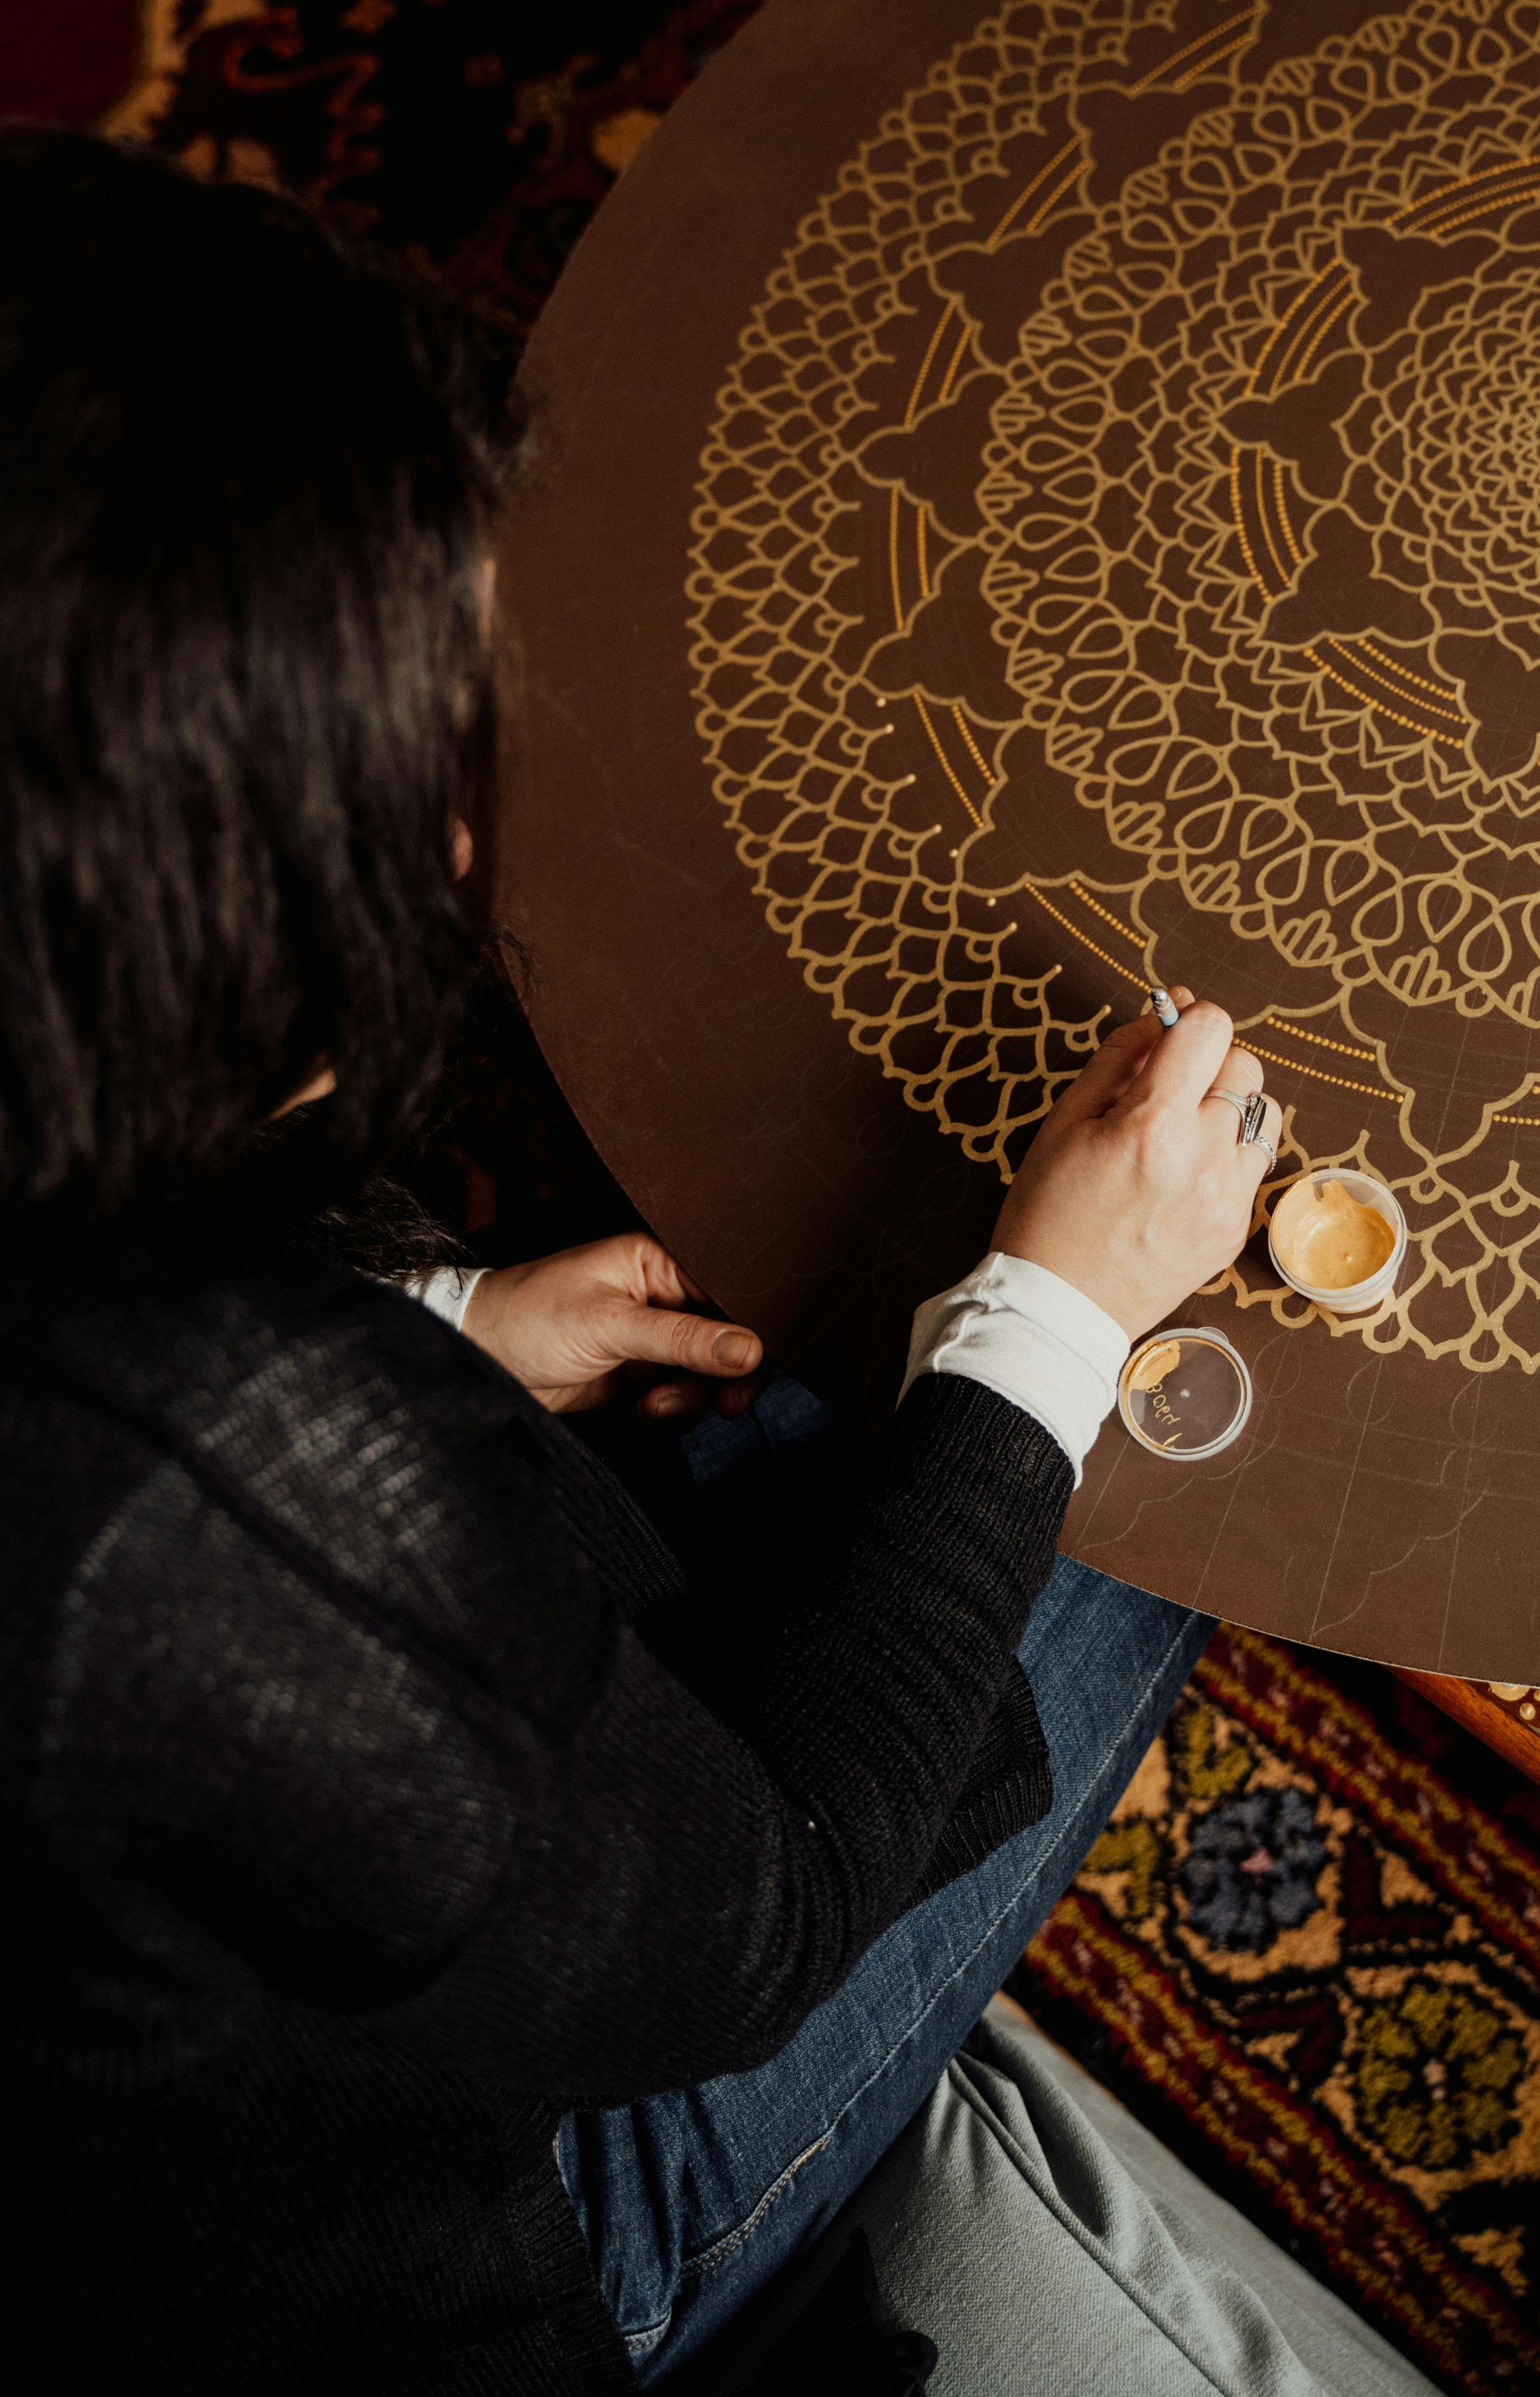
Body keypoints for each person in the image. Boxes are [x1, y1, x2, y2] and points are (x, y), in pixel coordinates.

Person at [0, 128, 1287, 2389]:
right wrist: (1059, 1318)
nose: (479, 822)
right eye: (421, 765)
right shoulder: (218, 1502)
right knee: (1200, 1465)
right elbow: (760, 1908)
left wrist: (437, 1322)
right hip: (507, 2229)